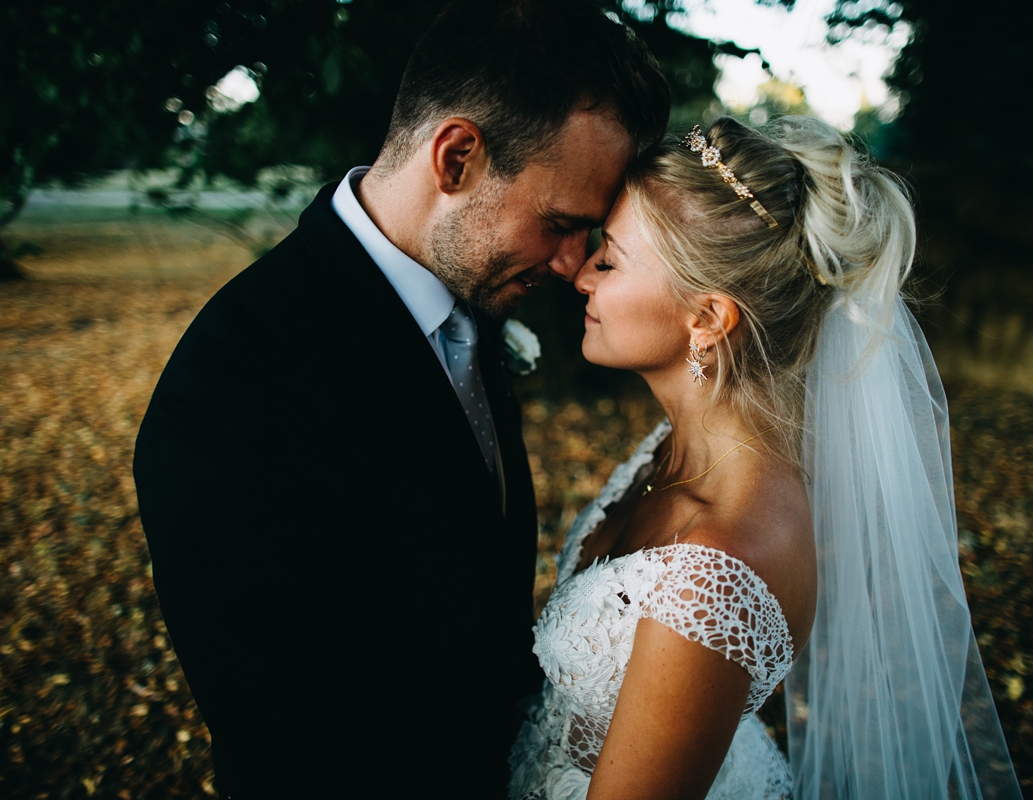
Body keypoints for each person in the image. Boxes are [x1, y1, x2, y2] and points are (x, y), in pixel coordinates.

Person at [132, 2, 668, 796]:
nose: (570, 265)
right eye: (559, 223)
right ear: (456, 158)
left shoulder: (470, 294)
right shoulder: (233, 391)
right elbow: (302, 741)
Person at [509, 116, 1023, 799]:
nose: (581, 275)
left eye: (612, 257)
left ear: (708, 319)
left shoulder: (718, 570)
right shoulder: (671, 448)